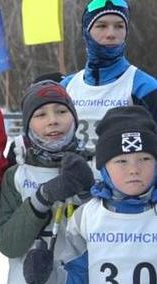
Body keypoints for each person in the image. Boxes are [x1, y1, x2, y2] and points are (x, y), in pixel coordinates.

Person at [0, 81, 94, 283]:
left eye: (61, 112)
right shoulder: (17, 176)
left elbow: (108, 235)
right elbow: (7, 244)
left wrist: (87, 192)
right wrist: (42, 198)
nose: (52, 121)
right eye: (40, 115)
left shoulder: (95, 169)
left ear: (74, 118)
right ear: (28, 124)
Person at [61, 106, 157, 283]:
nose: (134, 170)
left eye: (145, 159)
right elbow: (76, 272)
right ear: (104, 167)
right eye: (121, 161)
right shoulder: (86, 217)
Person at [61, 0, 157, 157]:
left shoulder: (145, 87)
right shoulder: (65, 87)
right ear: (86, 31)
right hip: (75, 181)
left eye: (119, 26)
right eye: (101, 26)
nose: (111, 34)